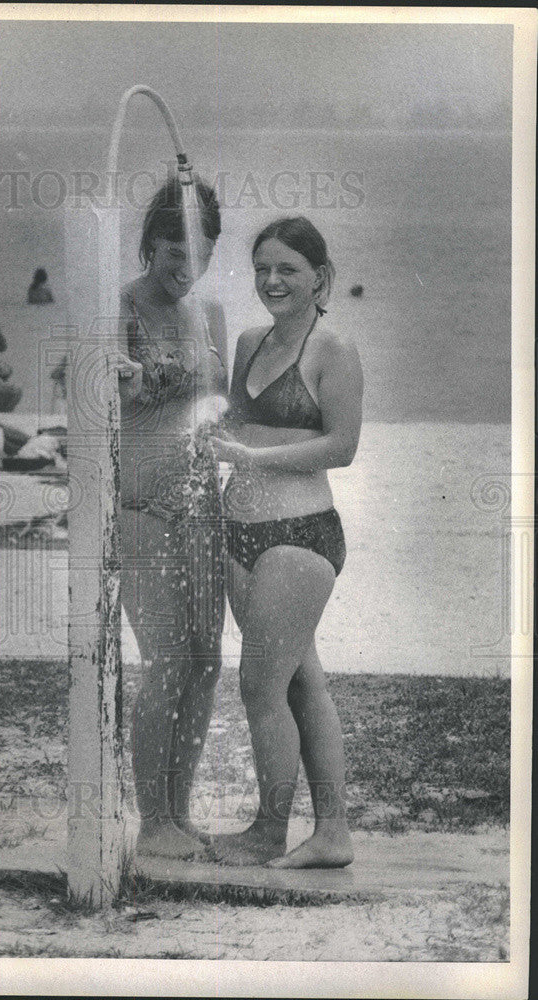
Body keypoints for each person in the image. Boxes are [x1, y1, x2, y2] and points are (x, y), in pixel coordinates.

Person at [206, 216, 362, 868]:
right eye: (263, 267)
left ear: (319, 278)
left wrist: (250, 454)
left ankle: (269, 832)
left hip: (299, 537)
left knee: (260, 688)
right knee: (302, 682)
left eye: (287, 270)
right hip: (238, 530)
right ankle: (332, 834)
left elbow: (343, 447)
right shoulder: (248, 342)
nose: (272, 280)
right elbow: (239, 422)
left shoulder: (333, 352)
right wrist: (194, 378)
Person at [113, 177, 229, 859]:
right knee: (166, 662)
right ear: (150, 242)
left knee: (207, 662)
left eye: (203, 257)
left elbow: (219, 403)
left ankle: (177, 811)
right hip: (142, 506)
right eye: (175, 254)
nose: (188, 271)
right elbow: (97, 396)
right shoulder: (119, 307)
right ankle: (152, 817)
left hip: (202, 501)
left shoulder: (208, 315)